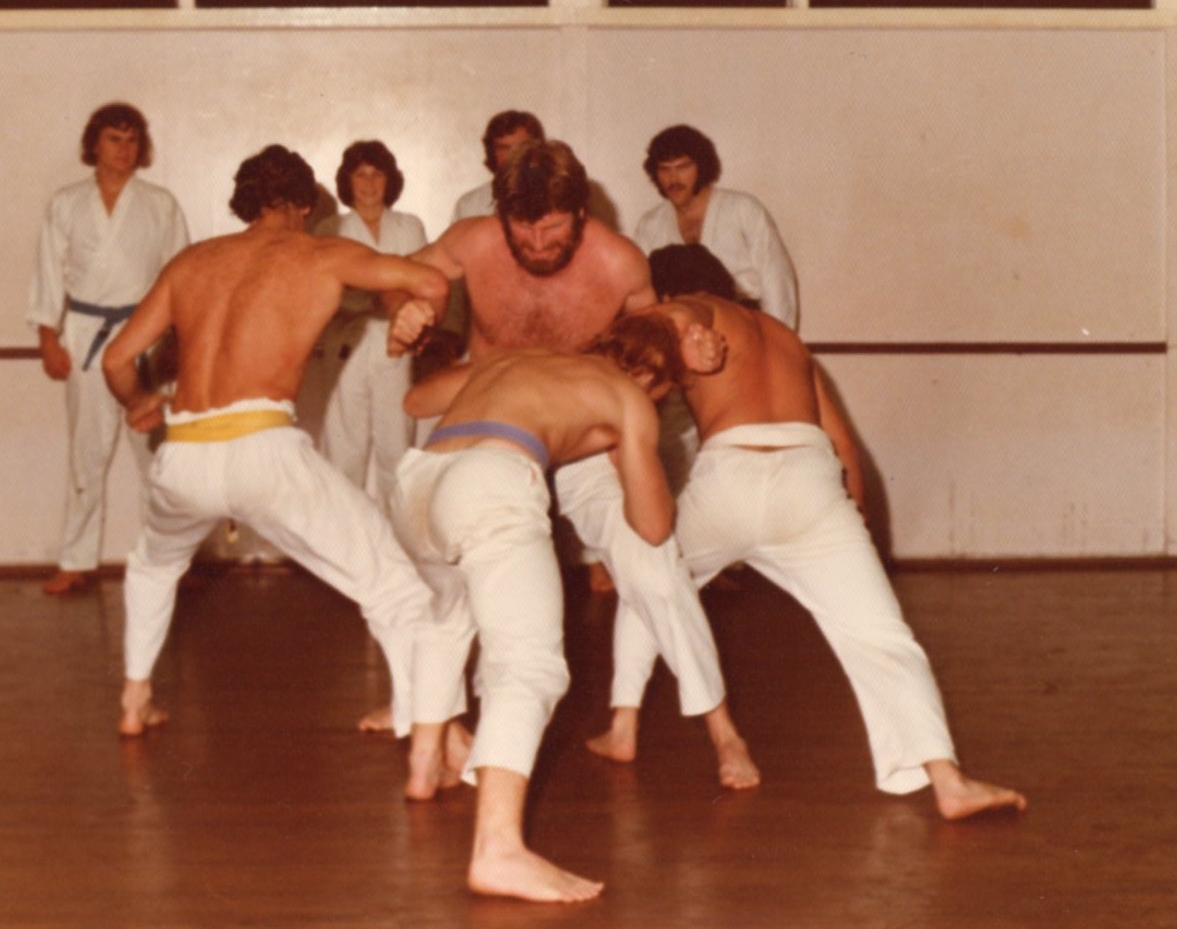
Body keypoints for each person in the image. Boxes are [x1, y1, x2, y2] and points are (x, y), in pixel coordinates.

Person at [588, 246, 1027, 821]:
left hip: (731, 478)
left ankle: (623, 726)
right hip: (811, 485)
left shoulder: (691, 314)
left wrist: (681, 332)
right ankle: (948, 780)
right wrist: (855, 527)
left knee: (648, 573)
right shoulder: (787, 341)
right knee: (881, 635)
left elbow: (676, 318)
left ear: (673, 292)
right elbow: (845, 447)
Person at [387, 139, 759, 790]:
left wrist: (691, 352)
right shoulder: (472, 241)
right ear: (501, 215)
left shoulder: (620, 263)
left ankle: (724, 733)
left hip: (587, 429)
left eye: (552, 228)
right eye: (522, 229)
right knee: (466, 591)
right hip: (493, 424)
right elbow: (397, 277)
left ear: (581, 213)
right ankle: (459, 740)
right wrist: (407, 310)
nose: (536, 244)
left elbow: (660, 337)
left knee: (654, 565)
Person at [99, 144, 450, 739]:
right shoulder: (320, 253)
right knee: (392, 582)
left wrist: (138, 402)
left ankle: (135, 699)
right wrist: (415, 320)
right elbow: (431, 280)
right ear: (305, 204)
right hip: (262, 451)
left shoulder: (191, 261)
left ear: (246, 201)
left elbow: (116, 359)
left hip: (182, 455)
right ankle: (418, 722)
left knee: (153, 566)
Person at [392, 316, 691, 903]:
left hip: (417, 484)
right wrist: (629, 445)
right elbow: (653, 526)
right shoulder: (630, 396)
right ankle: (498, 850)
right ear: (656, 381)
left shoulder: (518, 357)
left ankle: (426, 765)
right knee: (528, 665)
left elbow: (417, 398)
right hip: (491, 480)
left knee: (446, 615)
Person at [27, 102, 190, 596]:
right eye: (114, 139)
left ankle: (167, 559)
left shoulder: (160, 204)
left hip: (146, 333)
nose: (124, 149)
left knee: (158, 454)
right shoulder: (66, 203)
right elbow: (48, 272)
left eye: (132, 140)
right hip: (85, 333)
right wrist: (48, 337)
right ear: (94, 145)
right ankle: (76, 561)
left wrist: (178, 342)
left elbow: (180, 276)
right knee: (86, 454)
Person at [313, 140, 428, 507]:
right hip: (345, 347)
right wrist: (378, 295)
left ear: (389, 179)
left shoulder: (410, 226)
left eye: (376, 174)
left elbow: (417, 284)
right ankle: (345, 535)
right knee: (344, 449)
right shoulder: (330, 229)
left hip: (397, 344)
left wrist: (370, 294)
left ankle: (397, 535)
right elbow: (331, 292)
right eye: (360, 175)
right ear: (347, 181)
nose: (368, 183)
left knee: (397, 448)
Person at [633, 124, 798, 328]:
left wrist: (777, 336)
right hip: (681, 326)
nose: (673, 178)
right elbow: (640, 291)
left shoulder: (743, 209)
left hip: (745, 322)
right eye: (664, 169)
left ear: (702, 167)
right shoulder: (650, 225)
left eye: (683, 167)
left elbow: (777, 281)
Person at [450, 109, 545, 222]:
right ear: (491, 152)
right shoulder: (469, 205)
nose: (513, 154)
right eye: (504, 148)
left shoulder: (554, 199)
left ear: (536, 151)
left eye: (520, 146)